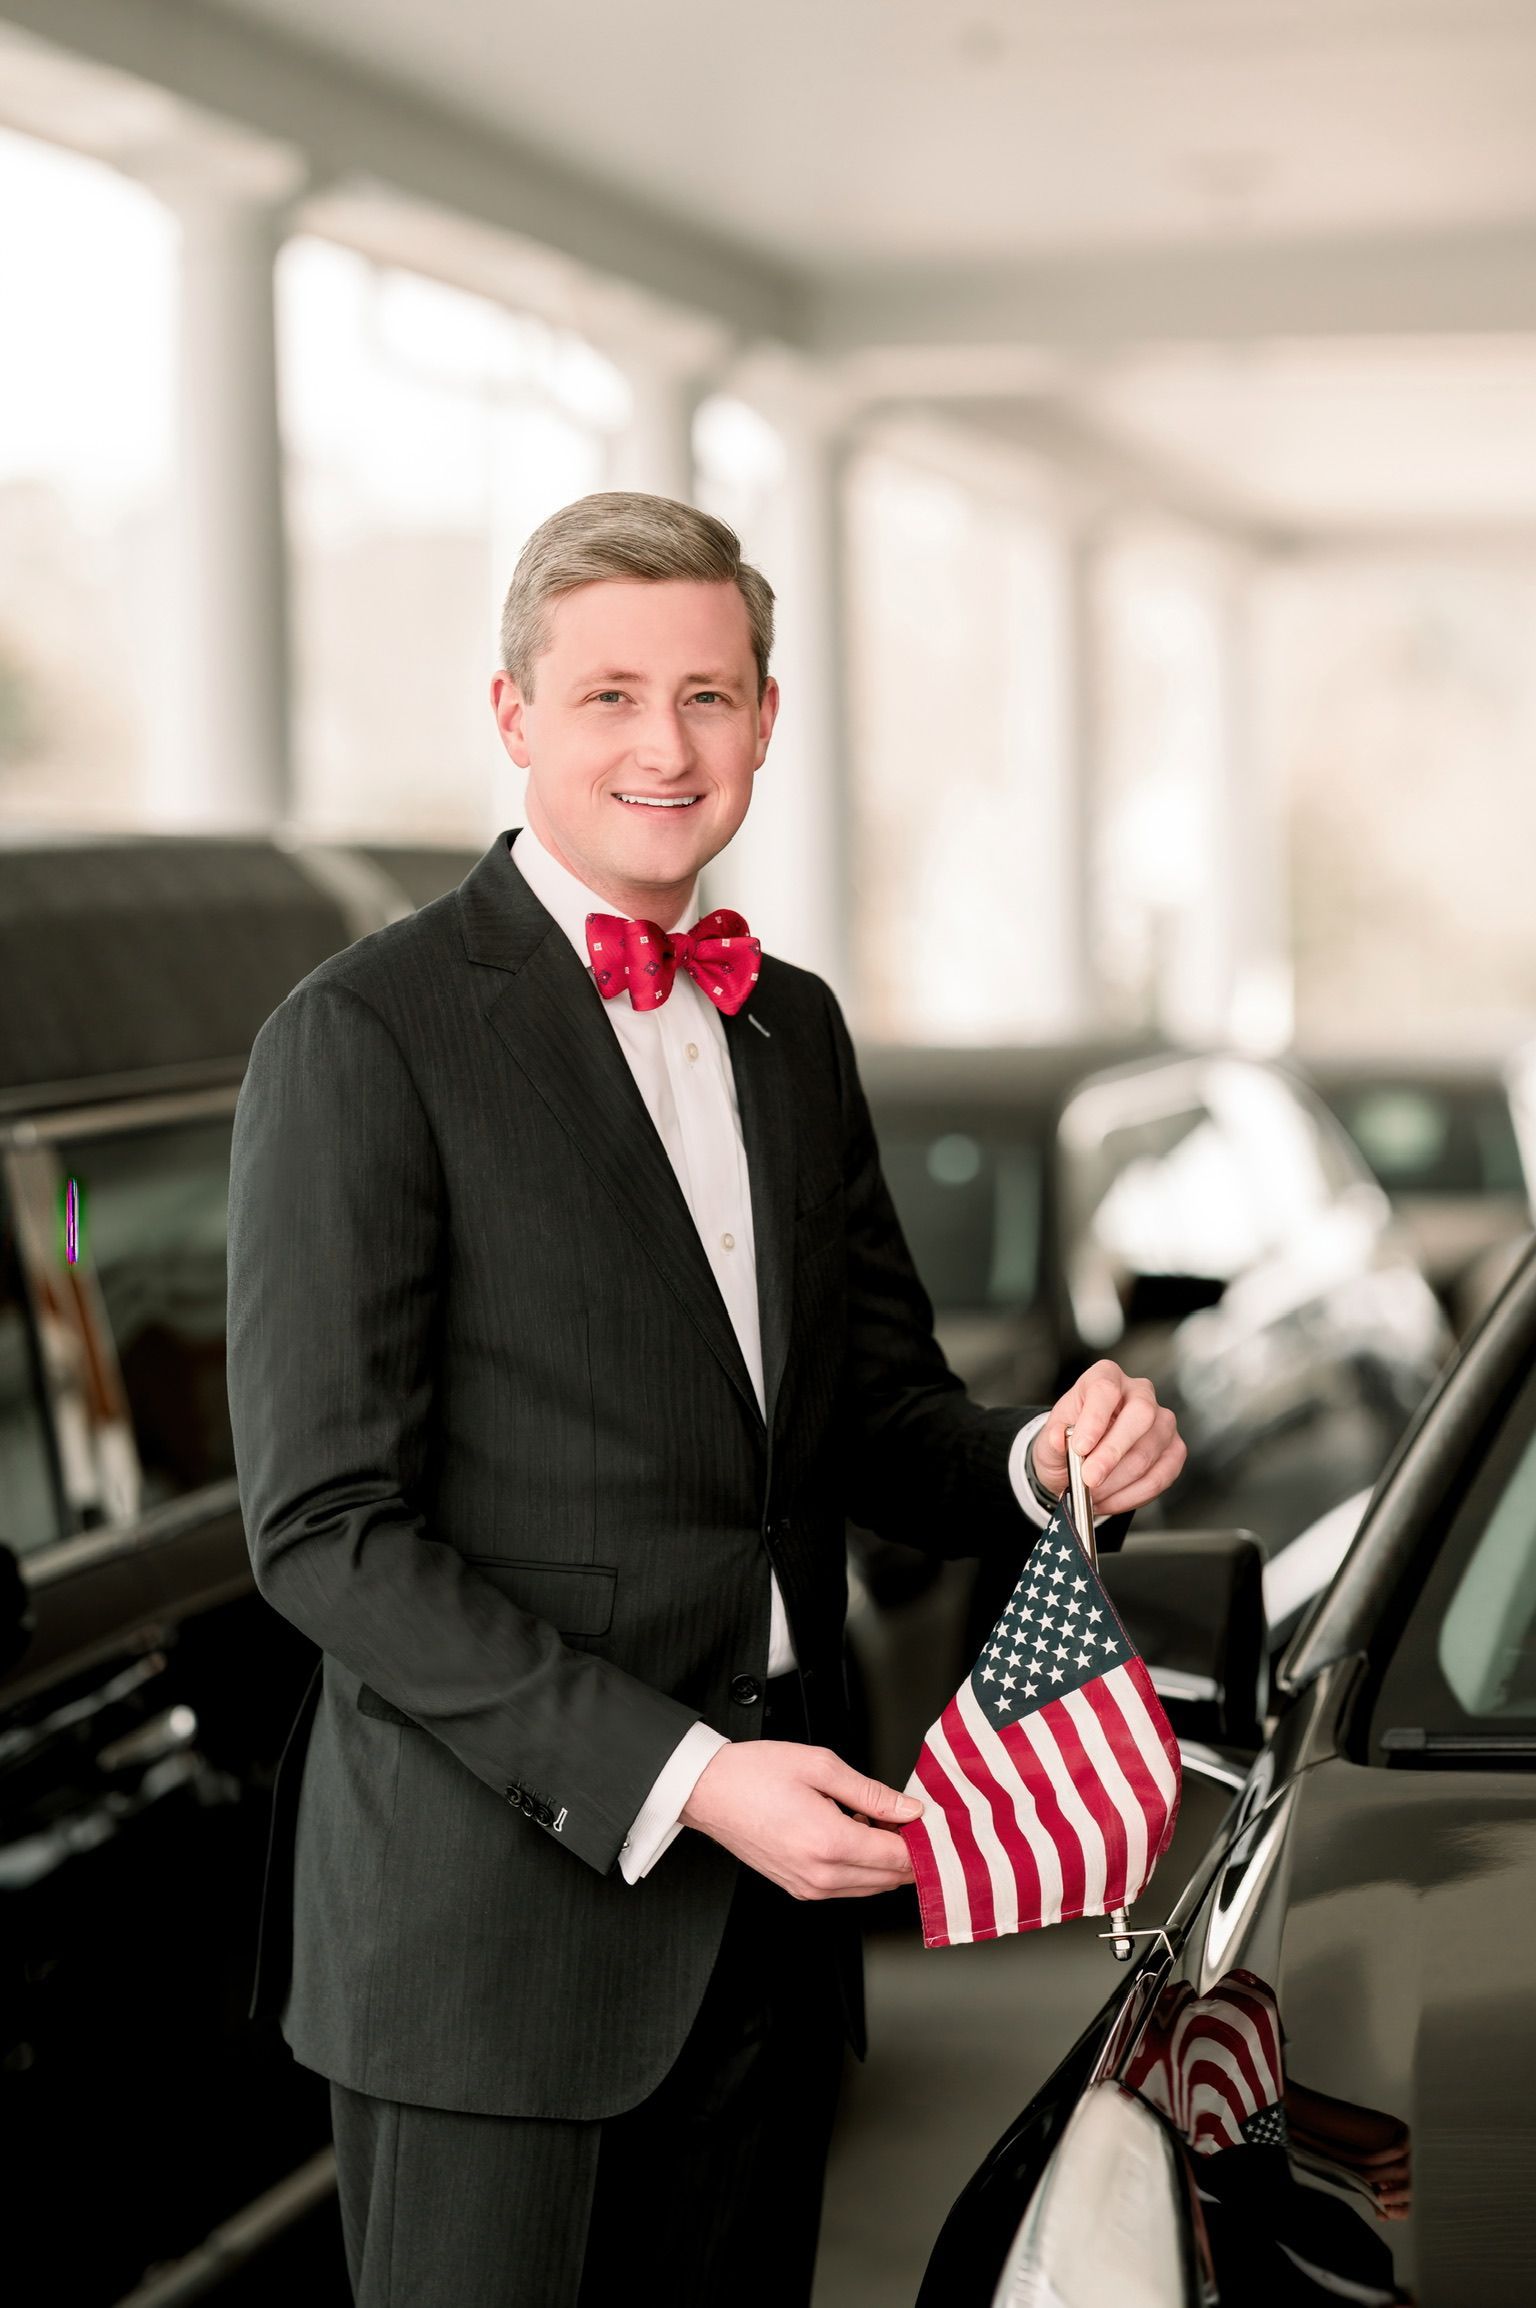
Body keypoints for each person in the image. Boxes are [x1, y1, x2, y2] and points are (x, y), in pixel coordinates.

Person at [225, 489, 1187, 2307]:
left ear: (765, 717)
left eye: (711, 696)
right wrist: (687, 1778)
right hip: (491, 1962)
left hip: (769, 1942)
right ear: (512, 718)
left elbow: (874, 1414)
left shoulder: (793, 1029)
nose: (666, 747)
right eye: (608, 697)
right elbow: (326, 1534)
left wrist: (1043, 1457)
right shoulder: (365, 1038)